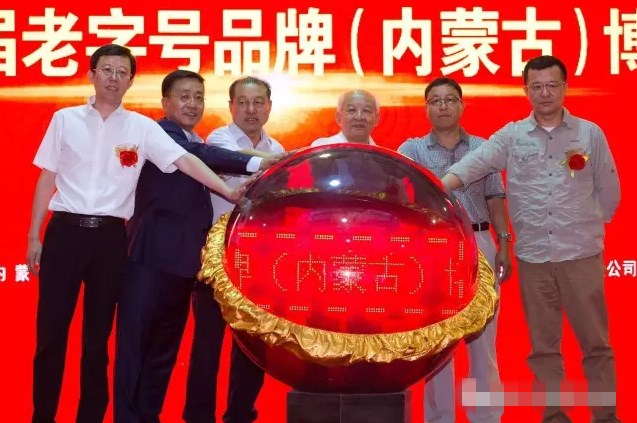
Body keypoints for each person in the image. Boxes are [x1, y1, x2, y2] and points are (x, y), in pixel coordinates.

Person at [26, 45, 242, 423]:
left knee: (97, 341)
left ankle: (90, 417)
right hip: (64, 234)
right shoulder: (64, 119)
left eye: (121, 72)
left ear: (130, 80)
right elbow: (47, 177)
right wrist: (33, 236)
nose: (113, 78)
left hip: (110, 240)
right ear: (92, 75)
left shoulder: (141, 127)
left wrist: (227, 191)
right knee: (50, 337)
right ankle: (42, 416)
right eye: (106, 70)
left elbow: (185, 160)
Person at [441, 55, 621, 423]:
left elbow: (609, 190)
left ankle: (605, 415)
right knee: (543, 347)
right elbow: (473, 165)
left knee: (596, 344)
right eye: (537, 87)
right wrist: (437, 186)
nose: (545, 93)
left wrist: (586, 227)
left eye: (552, 85)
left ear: (565, 88)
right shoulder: (512, 136)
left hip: (581, 255)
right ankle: (554, 414)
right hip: (534, 257)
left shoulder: (589, 133)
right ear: (526, 91)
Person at [112, 70, 280, 423]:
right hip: (149, 259)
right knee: (135, 348)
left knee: (163, 352)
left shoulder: (195, 138)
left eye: (199, 97)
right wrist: (258, 163)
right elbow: (198, 154)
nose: (192, 104)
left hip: (184, 264)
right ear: (166, 102)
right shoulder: (160, 132)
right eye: (184, 96)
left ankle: (148, 416)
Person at [398, 77, 511, 423]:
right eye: (436, 100)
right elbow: (400, 201)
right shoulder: (411, 150)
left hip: (479, 242)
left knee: (483, 338)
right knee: (437, 339)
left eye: (450, 99)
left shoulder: (482, 147)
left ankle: (485, 416)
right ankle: (439, 417)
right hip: (432, 247)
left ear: (462, 105)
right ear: (426, 108)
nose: (443, 106)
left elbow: (495, 198)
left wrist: (503, 243)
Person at [183, 76, 285, 423]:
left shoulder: (277, 145)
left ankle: (240, 415)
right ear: (231, 107)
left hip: (257, 263)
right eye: (242, 102)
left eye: (258, 102)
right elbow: (233, 158)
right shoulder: (218, 139)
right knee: (207, 346)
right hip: (216, 260)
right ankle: (198, 417)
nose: (250, 109)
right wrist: (276, 162)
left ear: (269, 107)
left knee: (252, 347)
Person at [310, 89, 379, 146]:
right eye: (352, 110)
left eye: (366, 110)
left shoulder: (381, 156)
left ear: (377, 119)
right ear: (338, 117)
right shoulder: (323, 147)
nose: (359, 117)